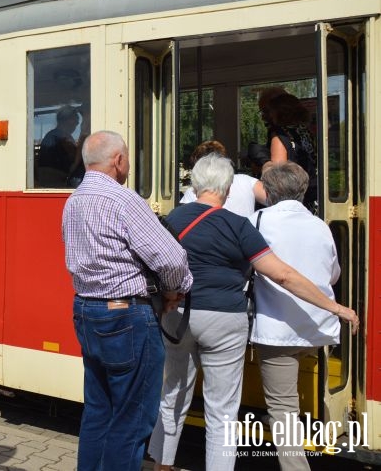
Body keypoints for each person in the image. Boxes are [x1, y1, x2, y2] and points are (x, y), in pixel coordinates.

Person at [148, 154, 358, 471]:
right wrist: (335, 306)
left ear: (194, 185)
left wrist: (165, 299)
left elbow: (153, 265)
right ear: (229, 188)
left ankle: (161, 466)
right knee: (222, 410)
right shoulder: (239, 226)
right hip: (225, 321)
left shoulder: (171, 220)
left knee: (172, 394)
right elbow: (283, 275)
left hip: (179, 316)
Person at [62, 130, 193, 471]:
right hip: (125, 315)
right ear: (118, 161)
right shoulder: (123, 200)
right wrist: (173, 290)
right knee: (132, 418)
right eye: (128, 159)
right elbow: (172, 259)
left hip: (87, 310)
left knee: (98, 412)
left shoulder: (73, 201)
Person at [249, 162, 343, 470]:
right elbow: (332, 275)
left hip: (278, 328)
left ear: (269, 191)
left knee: (282, 408)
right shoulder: (320, 225)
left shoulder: (258, 220)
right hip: (316, 326)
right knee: (286, 401)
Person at [180, 140, 267, 216]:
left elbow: (184, 219)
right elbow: (275, 200)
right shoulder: (246, 181)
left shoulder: (193, 191)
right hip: (245, 233)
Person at [265, 92, 318, 209]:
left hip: (292, 196)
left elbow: (278, 175)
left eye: (270, 111)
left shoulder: (281, 135)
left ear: (279, 112)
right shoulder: (306, 131)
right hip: (311, 191)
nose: (269, 116)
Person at [38, 105, 85, 187]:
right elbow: (70, 165)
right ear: (64, 120)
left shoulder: (63, 136)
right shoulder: (56, 138)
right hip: (57, 184)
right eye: (75, 119)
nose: (77, 123)